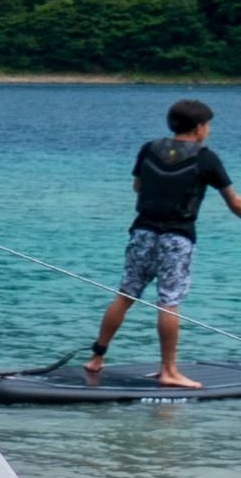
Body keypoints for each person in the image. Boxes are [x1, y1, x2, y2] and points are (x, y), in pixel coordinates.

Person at [89, 97, 241, 390]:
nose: (208, 130)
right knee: (169, 303)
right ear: (199, 128)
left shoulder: (149, 149)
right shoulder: (206, 158)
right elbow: (234, 203)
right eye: (207, 125)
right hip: (176, 237)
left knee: (125, 295)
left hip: (142, 232)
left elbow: (138, 186)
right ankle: (169, 371)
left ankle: (96, 358)